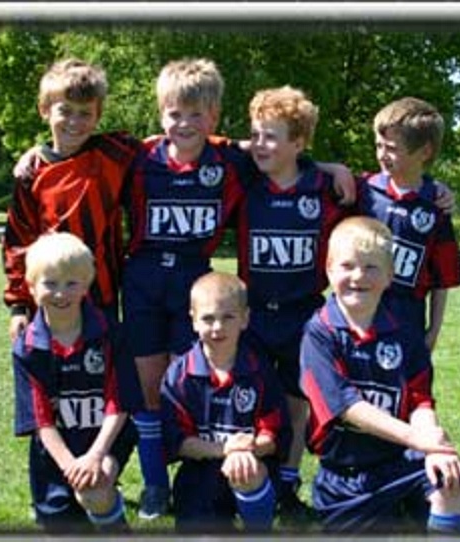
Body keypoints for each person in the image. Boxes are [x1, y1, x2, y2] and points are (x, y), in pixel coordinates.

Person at [121, 57, 354, 519]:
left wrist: (331, 166)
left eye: (196, 114)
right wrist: (37, 154)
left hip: (198, 282)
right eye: (174, 113)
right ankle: (155, 485)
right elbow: (83, 156)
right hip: (144, 278)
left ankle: (255, 477)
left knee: (206, 383)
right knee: (150, 388)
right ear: (161, 113)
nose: (184, 123)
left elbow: (275, 148)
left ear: (213, 117)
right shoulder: (139, 157)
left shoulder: (230, 162)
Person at [299, 216, 460, 534]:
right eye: (347, 266)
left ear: (390, 276)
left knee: (452, 478)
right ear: (329, 270)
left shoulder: (405, 333)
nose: (358, 276)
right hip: (346, 476)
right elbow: (347, 407)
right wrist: (416, 438)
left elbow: (420, 401)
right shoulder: (319, 333)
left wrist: (432, 446)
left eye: (371, 267)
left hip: (400, 460)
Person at [235, 85, 350, 523]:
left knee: (297, 404)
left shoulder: (324, 188)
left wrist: (437, 191)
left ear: (299, 143)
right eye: (255, 135)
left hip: (303, 314)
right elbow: (212, 147)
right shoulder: (245, 181)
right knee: (251, 400)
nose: (259, 144)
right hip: (253, 313)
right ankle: (249, 479)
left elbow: (382, 192)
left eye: (271, 136)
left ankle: (287, 483)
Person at [2, 58, 141, 342]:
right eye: (65, 111)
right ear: (44, 110)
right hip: (50, 298)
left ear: (98, 115)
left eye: (85, 113)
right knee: (51, 368)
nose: (75, 122)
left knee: (101, 367)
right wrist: (18, 305)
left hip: (101, 297)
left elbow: (171, 145)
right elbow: (18, 241)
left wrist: (229, 147)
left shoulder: (113, 153)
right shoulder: (31, 173)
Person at [11, 232, 137, 533]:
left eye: (72, 283)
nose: (61, 293)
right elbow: (42, 421)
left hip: (105, 440)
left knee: (94, 492)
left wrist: (95, 456)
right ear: (31, 287)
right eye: (50, 283)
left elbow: (119, 404)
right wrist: (71, 467)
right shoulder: (27, 349)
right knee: (61, 524)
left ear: (87, 285)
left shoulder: (111, 334)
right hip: (55, 450)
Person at [159, 271, 292, 533]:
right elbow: (179, 442)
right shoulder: (179, 376)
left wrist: (248, 450)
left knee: (248, 471)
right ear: (193, 320)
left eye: (228, 317)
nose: (218, 327)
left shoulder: (260, 370)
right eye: (208, 318)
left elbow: (274, 434)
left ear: (245, 319)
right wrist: (226, 449)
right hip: (200, 472)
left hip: (251, 464)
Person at [354, 96, 460, 351]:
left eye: (391, 148)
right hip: (356, 321)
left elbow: (442, 279)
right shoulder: (362, 190)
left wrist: (433, 331)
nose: (382, 155)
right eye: (378, 145)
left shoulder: (435, 207)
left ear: (424, 152)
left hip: (406, 327)